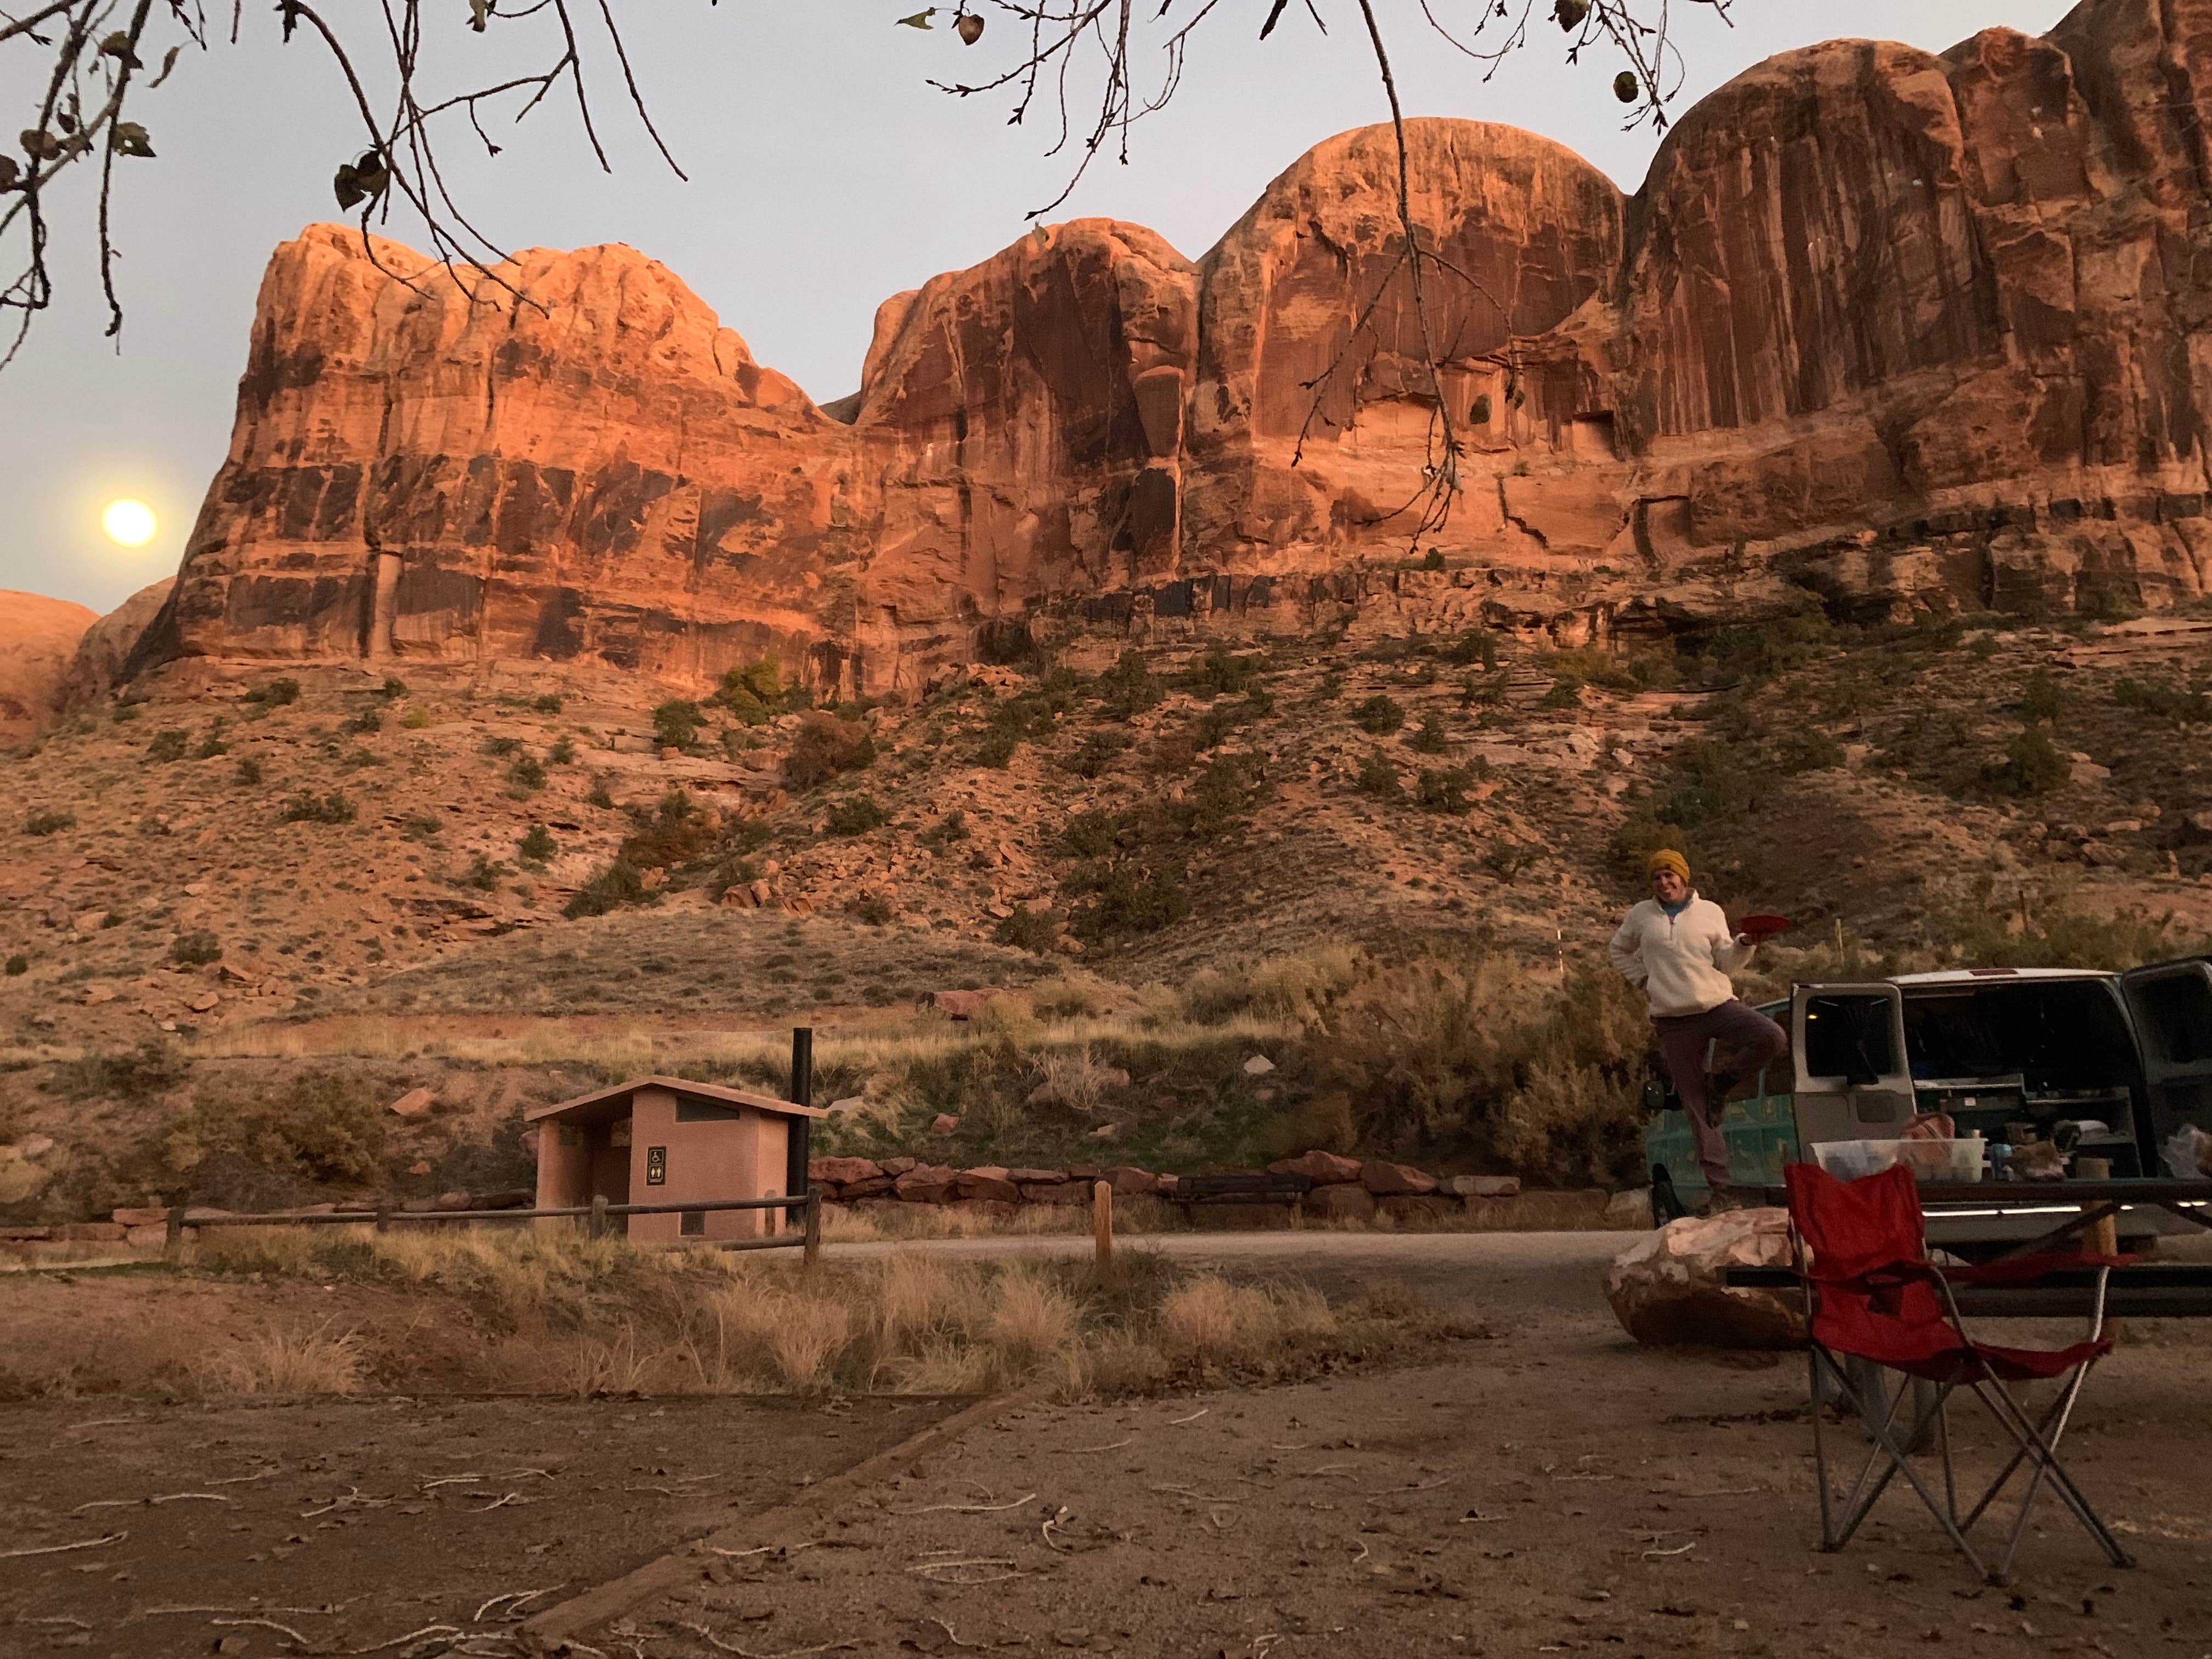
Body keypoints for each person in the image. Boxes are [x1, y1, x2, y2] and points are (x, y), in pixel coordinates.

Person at [1608, 849, 1788, 1211]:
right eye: (1657, 876)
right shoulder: (1641, 916)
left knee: (1771, 1037)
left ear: (1684, 877)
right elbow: (1617, 949)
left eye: (1670, 875)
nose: (1664, 882)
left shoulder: (1710, 912)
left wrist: (1746, 943)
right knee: (1698, 1110)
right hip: (1674, 1022)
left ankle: (1720, 1084)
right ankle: (1721, 1193)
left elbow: (1725, 960)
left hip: (1716, 1005)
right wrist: (1643, 979)